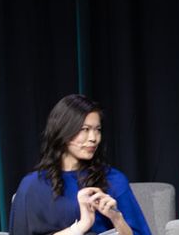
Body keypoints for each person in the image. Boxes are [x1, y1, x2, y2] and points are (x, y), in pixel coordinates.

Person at [10, 94, 156, 235]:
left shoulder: (113, 179)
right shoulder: (32, 186)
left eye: (97, 130)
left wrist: (116, 218)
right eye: (85, 129)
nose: (94, 138)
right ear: (63, 131)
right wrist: (81, 226)